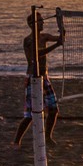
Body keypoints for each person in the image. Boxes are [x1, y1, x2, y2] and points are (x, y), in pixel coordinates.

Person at [14, 11, 62, 149]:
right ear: (32, 24)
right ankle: (16, 141)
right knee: (30, 115)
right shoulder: (28, 40)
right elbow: (35, 55)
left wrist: (61, 25)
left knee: (53, 109)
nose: (43, 23)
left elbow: (60, 38)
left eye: (42, 20)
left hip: (44, 77)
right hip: (32, 78)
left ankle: (48, 137)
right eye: (40, 21)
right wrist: (56, 45)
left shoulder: (44, 36)